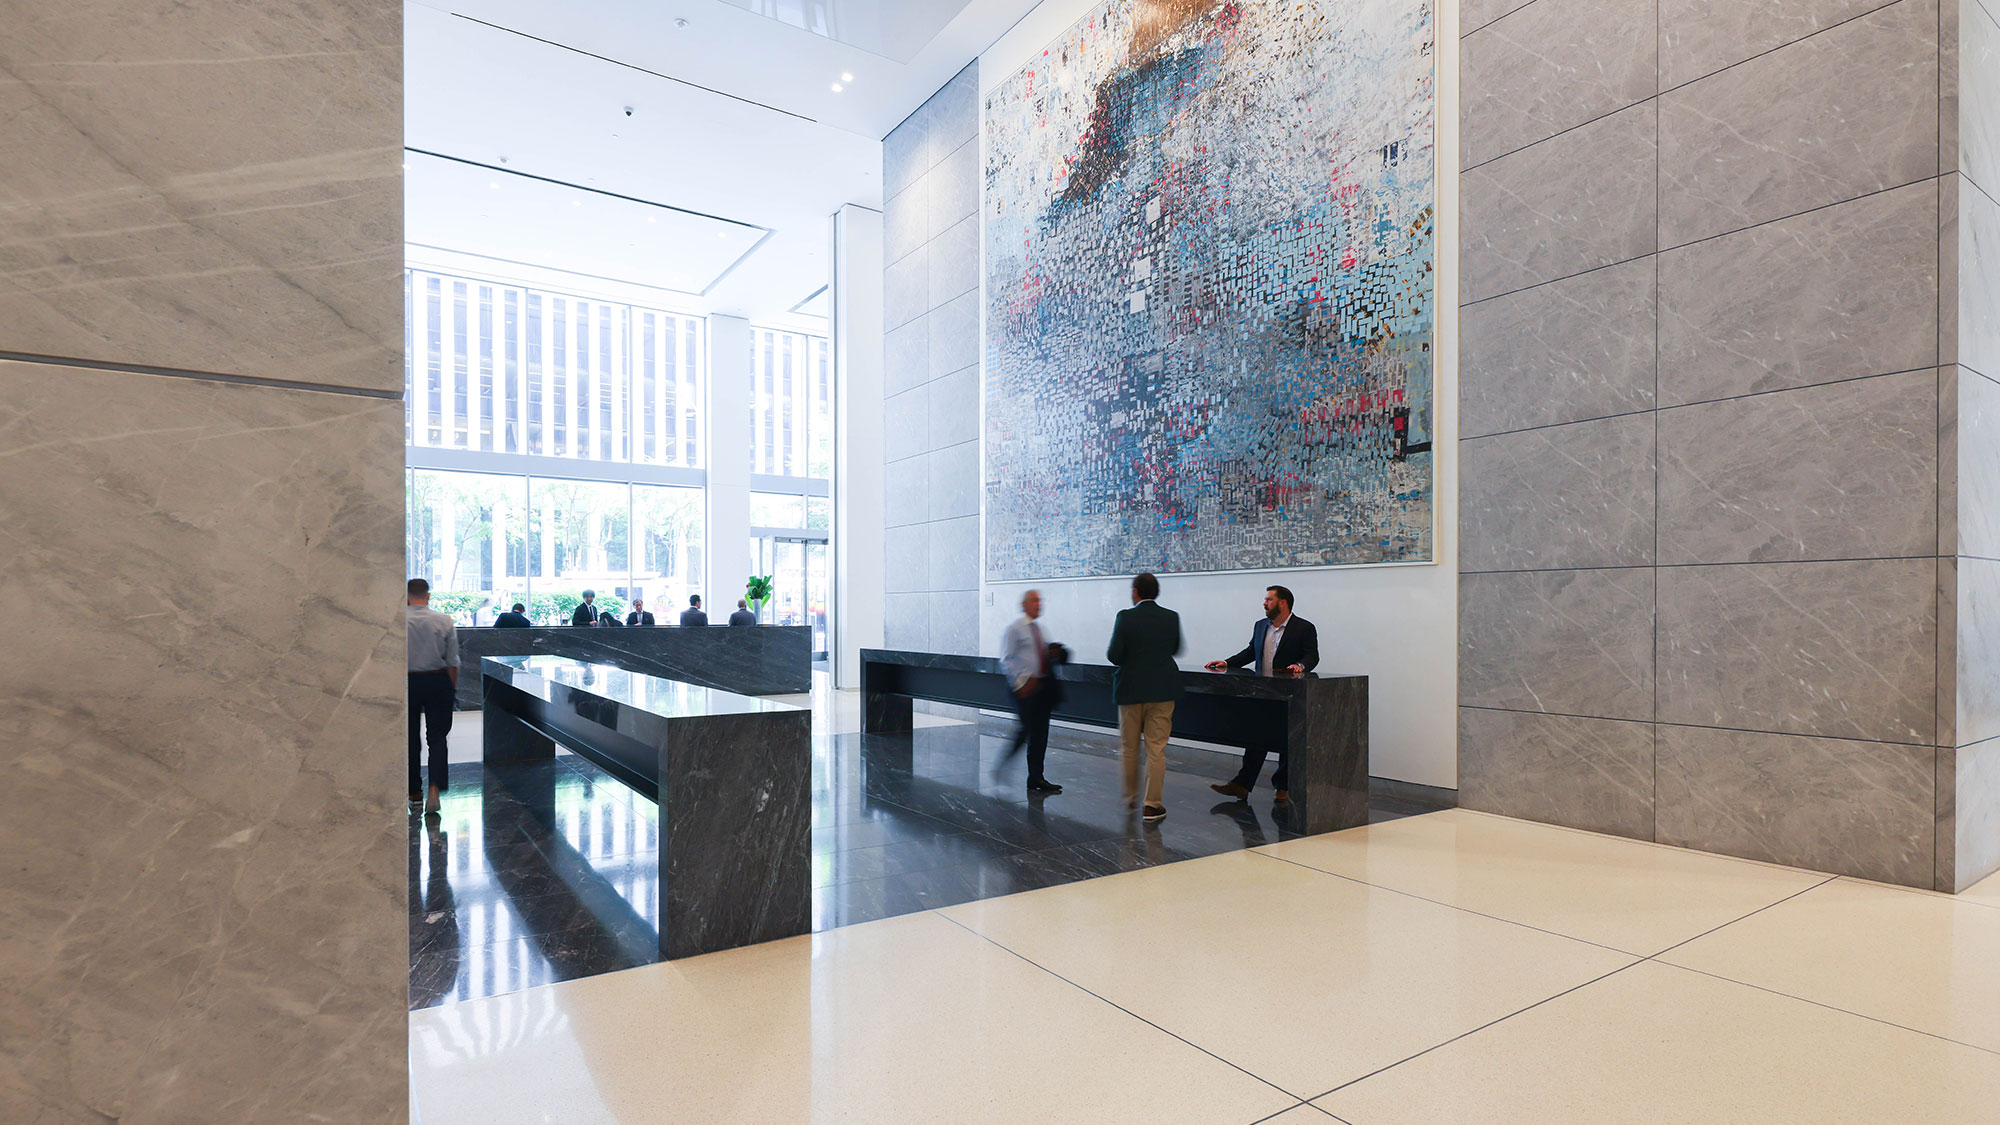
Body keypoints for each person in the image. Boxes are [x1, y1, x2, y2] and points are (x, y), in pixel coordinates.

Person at [1205, 585, 1320, 803]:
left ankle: (1283, 788)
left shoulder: (1304, 628)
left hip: (1290, 694)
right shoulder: (1260, 626)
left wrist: (1300, 665)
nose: (1264, 603)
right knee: (1257, 737)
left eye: (1269, 599)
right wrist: (1227, 662)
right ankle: (1242, 785)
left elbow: (1312, 656)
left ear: (1282, 602)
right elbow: (1250, 652)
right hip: (1263, 693)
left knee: (1286, 741)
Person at [1105, 572, 1182, 822]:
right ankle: (1152, 804)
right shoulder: (1171, 617)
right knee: (1156, 748)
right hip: (1162, 690)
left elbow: (1114, 655)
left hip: (1131, 691)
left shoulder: (1125, 617)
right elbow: (1175, 649)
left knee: (1129, 748)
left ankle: (1130, 798)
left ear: (1136, 592)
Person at [998, 590, 1063, 793]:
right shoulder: (1015, 629)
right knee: (1025, 730)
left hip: (1041, 689)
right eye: (1034, 600)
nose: (1039, 604)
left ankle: (1036, 777)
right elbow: (1006, 659)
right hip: (1024, 690)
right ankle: (1002, 765)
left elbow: (1041, 656)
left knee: (1041, 734)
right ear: (1025, 604)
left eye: (1039, 600)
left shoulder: (1039, 629)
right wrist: (1021, 683)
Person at [406, 578, 460, 815]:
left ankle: (414, 793)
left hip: (407, 682)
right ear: (428, 596)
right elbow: (452, 661)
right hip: (438, 681)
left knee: (410, 740)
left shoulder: (398, 620)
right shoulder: (444, 620)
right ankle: (435, 791)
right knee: (437, 738)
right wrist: (452, 689)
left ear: (407, 596)